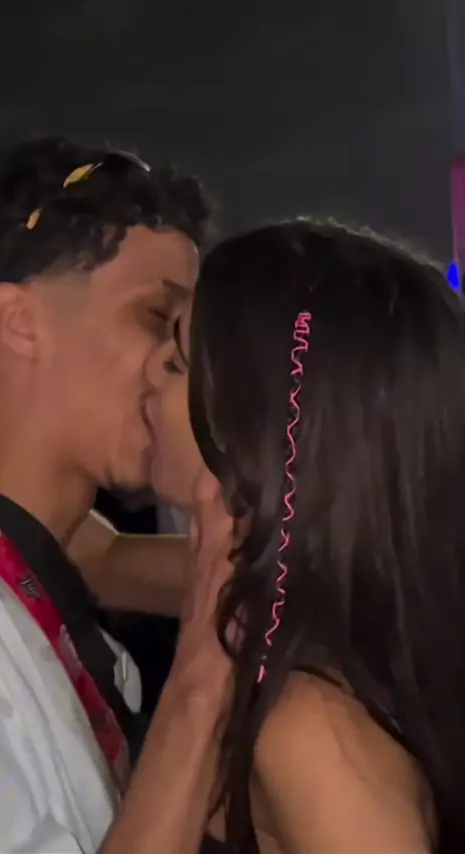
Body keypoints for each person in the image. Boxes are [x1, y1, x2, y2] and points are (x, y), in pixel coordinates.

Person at [148, 218, 465, 853]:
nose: (148, 371)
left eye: (177, 362)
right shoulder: (254, 590)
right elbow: (98, 557)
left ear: (255, 430)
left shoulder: (312, 733)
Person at [0, 135, 233, 854]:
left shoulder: (50, 593)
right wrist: (203, 680)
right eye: (158, 317)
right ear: (19, 325)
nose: (181, 362)